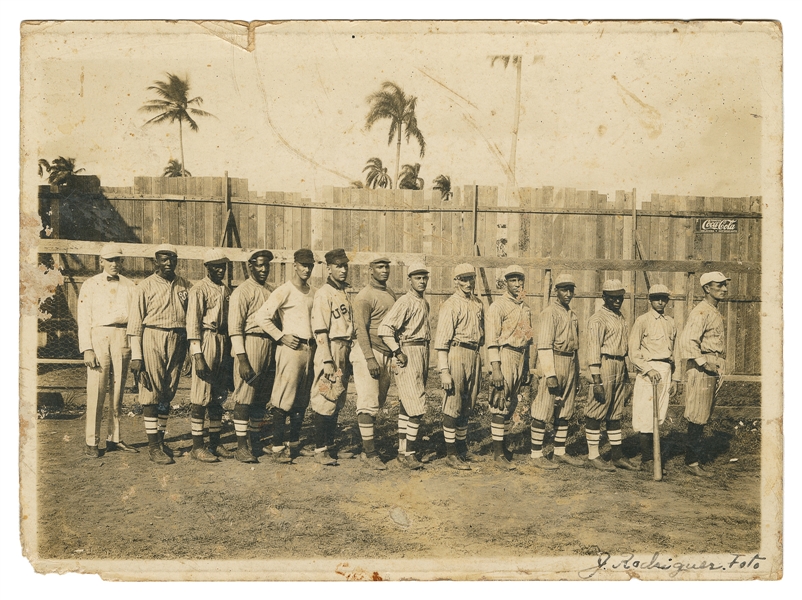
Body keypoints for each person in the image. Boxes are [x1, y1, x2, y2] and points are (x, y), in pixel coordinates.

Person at [128, 244, 191, 465]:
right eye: (163, 259)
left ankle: (161, 441)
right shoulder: (144, 286)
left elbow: (191, 318)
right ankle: (153, 447)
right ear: (156, 261)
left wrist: (191, 350)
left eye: (172, 259)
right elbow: (135, 325)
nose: (168, 263)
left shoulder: (184, 285)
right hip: (153, 337)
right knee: (151, 391)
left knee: (168, 391)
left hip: (178, 338)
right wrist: (137, 356)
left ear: (176, 260)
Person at [254, 248, 318, 463]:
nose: (306, 269)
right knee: (284, 400)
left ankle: (294, 444)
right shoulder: (284, 290)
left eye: (310, 265)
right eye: (303, 265)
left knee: (301, 400)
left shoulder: (314, 291)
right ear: (295, 265)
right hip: (291, 348)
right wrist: (280, 337)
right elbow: (262, 316)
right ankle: (278, 447)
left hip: (309, 349)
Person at [77, 243, 138, 458]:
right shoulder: (90, 285)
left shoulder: (131, 285)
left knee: (118, 388)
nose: (114, 264)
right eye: (110, 260)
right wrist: (87, 348)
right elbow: (83, 319)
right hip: (99, 336)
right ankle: (91, 441)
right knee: (97, 389)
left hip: (122, 336)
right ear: (101, 261)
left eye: (118, 260)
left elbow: (136, 319)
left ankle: (115, 438)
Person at [378, 263, 432, 470]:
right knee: (416, 404)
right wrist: (397, 351)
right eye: (417, 278)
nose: (422, 281)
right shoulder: (405, 301)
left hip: (422, 351)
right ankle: (409, 453)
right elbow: (385, 328)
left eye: (424, 277)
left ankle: (402, 450)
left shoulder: (423, 302)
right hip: (408, 351)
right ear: (409, 280)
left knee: (407, 403)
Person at [676, 271, 730, 477]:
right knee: (697, 414)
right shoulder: (701, 311)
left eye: (725, 285)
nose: (724, 289)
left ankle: (694, 459)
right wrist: (704, 363)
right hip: (702, 367)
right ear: (707, 288)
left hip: (714, 364)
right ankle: (691, 462)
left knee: (704, 413)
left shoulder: (713, 310)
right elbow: (688, 341)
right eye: (719, 285)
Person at [530, 273, 584, 470]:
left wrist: (577, 373)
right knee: (544, 406)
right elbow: (544, 346)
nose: (568, 293)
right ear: (556, 291)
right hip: (554, 360)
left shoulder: (572, 314)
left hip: (569, 361)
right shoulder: (549, 313)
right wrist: (550, 374)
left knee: (566, 409)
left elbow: (576, 348)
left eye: (571, 290)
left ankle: (559, 452)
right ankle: (536, 454)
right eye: (564, 289)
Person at [227, 249, 276, 463]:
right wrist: (242, 359)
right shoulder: (242, 292)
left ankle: (256, 442)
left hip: (269, 344)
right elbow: (235, 328)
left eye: (267, 265)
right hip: (250, 342)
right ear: (250, 266)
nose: (264, 269)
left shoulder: (271, 291)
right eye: (259, 265)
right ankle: (241, 446)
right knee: (245, 395)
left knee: (261, 397)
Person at [435, 263, 484, 470]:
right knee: (453, 403)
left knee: (468, 403)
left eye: (471, 278)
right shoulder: (450, 305)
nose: (468, 283)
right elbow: (441, 342)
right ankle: (451, 453)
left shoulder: (477, 303)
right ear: (456, 281)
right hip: (456, 353)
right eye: (463, 279)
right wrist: (444, 371)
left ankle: (462, 450)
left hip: (474, 354)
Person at [584, 279, 638, 472]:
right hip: (604, 364)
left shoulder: (620, 317)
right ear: (604, 297)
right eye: (613, 297)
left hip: (619, 364)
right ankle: (593, 455)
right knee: (597, 409)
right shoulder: (597, 319)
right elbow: (592, 350)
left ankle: (617, 456)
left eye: (620, 297)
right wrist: (596, 379)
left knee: (615, 412)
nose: (617, 301)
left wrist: (625, 376)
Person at [186, 249, 233, 463]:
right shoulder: (198, 289)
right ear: (207, 267)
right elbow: (193, 323)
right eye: (215, 266)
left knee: (218, 394)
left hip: (223, 341)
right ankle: (197, 446)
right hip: (206, 340)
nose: (220, 270)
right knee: (201, 394)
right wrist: (197, 355)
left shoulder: (225, 289)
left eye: (222, 266)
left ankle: (215, 443)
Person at [309, 248, 355, 466]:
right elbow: (320, 330)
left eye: (345, 265)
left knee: (337, 397)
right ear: (329, 268)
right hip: (330, 349)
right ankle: (320, 449)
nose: (343, 269)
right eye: (338, 266)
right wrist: (327, 359)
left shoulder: (344, 291)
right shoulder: (323, 293)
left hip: (343, 348)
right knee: (325, 397)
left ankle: (329, 444)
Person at [351, 257, 398, 471]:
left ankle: (365, 447)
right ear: (370, 270)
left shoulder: (389, 293)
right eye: (379, 267)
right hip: (368, 353)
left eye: (386, 267)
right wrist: (369, 358)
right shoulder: (364, 296)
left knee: (377, 403)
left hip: (386, 353)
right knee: (368, 402)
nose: (384, 270)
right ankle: (369, 453)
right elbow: (361, 330)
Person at [486, 265, 534, 470]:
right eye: (513, 280)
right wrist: (496, 369)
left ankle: (503, 448)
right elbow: (491, 340)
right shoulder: (498, 306)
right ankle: (497, 455)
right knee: (499, 401)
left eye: (519, 280)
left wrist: (527, 367)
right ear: (506, 282)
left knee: (511, 403)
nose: (517, 284)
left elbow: (528, 339)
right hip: (504, 354)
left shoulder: (525, 307)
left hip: (520, 355)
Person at [628, 283, 680, 471]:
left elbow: (677, 351)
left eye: (664, 298)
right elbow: (633, 351)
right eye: (656, 298)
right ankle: (648, 459)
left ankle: (653, 455)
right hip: (648, 371)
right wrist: (648, 369)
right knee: (646, 413)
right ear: (650, 300)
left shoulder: (671, 322)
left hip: (666, 369)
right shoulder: (642, 321)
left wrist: (676, 378)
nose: (660, 301)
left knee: (660, 413)